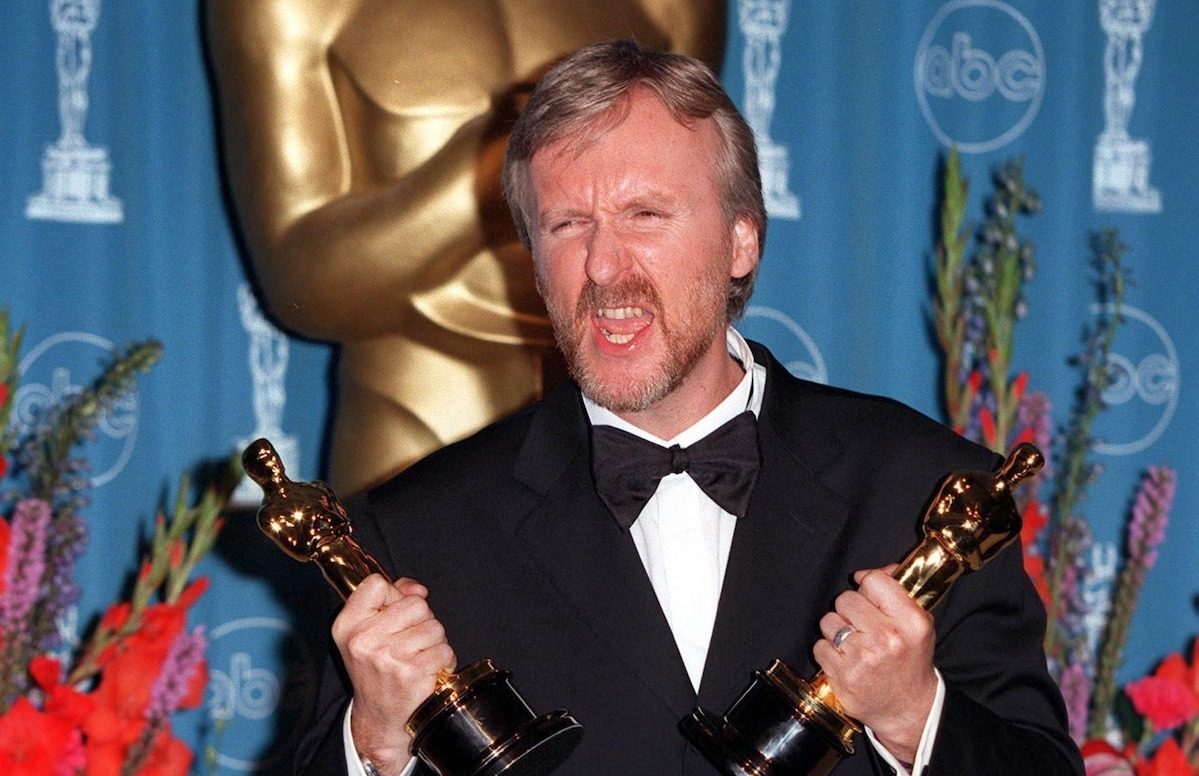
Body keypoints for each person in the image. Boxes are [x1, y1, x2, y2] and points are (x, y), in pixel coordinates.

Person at [296, 40, 1083, 775]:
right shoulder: (414, 532)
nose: (603, 266)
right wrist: (372, 746)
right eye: (568, 224)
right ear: (533, 265)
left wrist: (917, 714)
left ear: (741, 240)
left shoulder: (925, 492)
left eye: (645, 214)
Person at [205, 0, 726, 494]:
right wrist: (500, 166)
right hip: (416, 403)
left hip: (628, 403)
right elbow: (303, 281)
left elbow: (702, 233)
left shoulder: (673, 5)